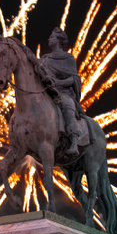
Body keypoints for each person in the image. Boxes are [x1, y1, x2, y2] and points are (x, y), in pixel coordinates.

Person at [39, 27, 86, 156]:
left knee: (67, 104)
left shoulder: (68, 58)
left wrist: (58, 83)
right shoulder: (44, 59)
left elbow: (74, 79)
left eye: (52, 37)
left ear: (59, 40)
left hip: (62, 92)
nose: (49, 39)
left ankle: (74, 140)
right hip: (46, 91)